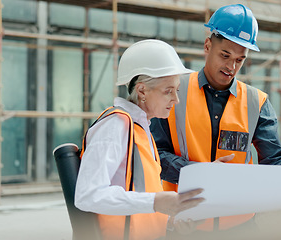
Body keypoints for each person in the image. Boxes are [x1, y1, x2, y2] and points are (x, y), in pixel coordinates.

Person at [150, 4, 281, 232]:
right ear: (208, 45)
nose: (231, 66)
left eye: (240, 60)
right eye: (225, 55)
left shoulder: (256, 102)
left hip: (240, 226)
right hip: (183, 224)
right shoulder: (174, 91)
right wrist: (201, 175)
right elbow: (154, 154)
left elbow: (273, 158)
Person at [74, 39, 205, 240]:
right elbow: (87, 196)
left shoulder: (141, 131)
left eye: (177, 90)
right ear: (142, 90)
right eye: (168, 91)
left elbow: (140, 195)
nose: (176, 100)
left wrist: (171, 222)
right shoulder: (114, 126)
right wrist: (155, 202)